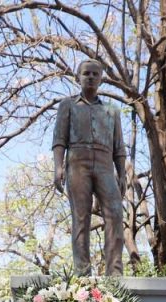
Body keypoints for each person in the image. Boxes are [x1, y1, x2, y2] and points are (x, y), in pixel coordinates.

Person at [52, 59, 126, 276]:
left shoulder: (112, 111)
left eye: (95, 74)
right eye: (86, 73)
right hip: (78, 163)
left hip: (105, 164)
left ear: (101, 78)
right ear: (78, 77)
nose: (91, 77)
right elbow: (59, 139)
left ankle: (115, 272)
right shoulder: (68, 105)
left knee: (115, 213)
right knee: (81, 217)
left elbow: (119, 147)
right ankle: (82, 273)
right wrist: (58, 167)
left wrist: (122, 174)